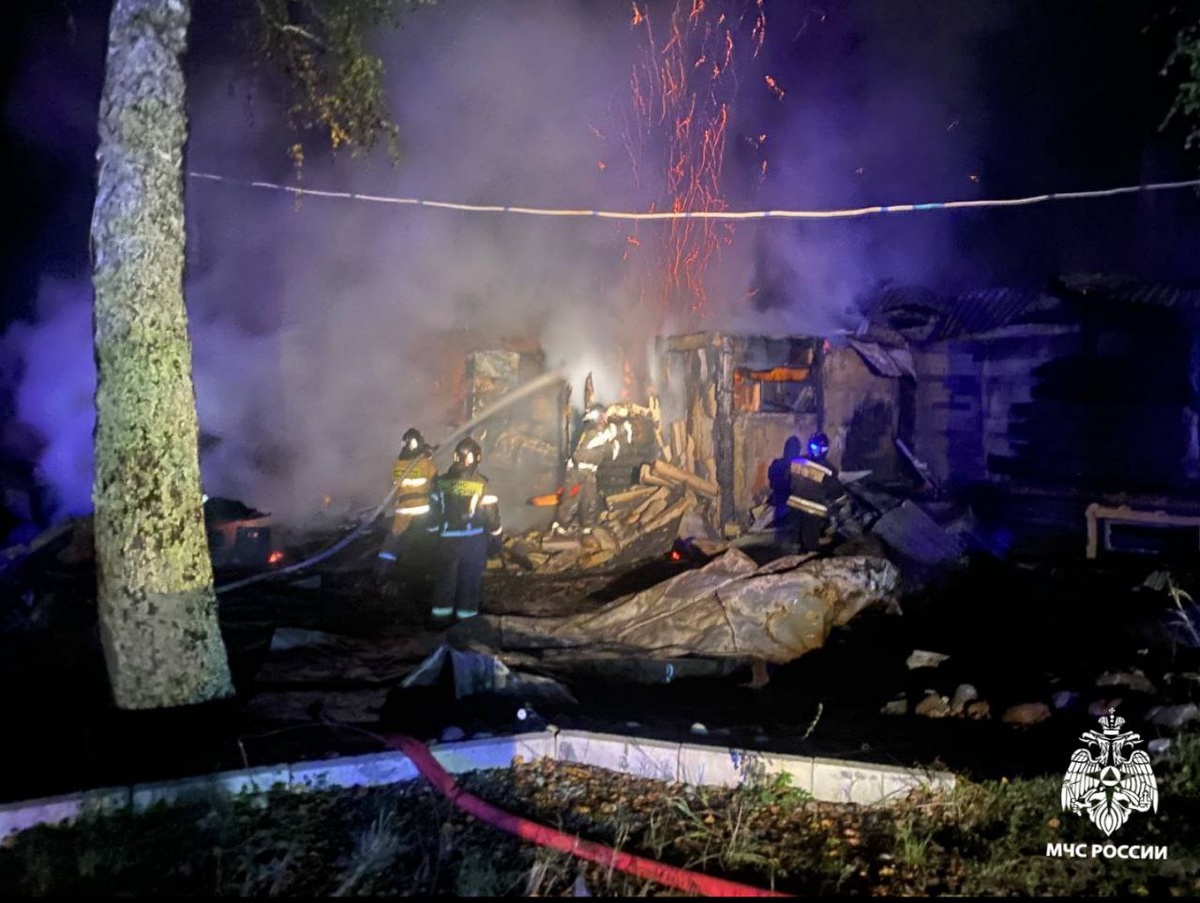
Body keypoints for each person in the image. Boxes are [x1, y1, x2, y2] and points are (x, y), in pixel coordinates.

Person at [427, 436, 502, 623]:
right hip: (472, 542)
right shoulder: (482, 484)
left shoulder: (440, 483)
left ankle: (440, 620)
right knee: (469, 582)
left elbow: (433, 515)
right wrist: (496, 539)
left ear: (455, 457)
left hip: (446, 540)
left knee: (445, 581)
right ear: (477, 458)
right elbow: (492, 518)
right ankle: (466, 624)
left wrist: (432, 537)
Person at [375, 427, 438, 585]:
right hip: (422, 513)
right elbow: (434, 480)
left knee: (393, 542)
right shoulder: (425, 464)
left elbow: (393, 486)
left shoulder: (397, 464)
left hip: (402, 512)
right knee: (424, 544)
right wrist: (428, 456)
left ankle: (381, 576)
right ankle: (422, 578)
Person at [551, 404, 620, 536]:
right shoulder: (590, 431)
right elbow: (595, 442)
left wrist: (614, 446)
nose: (605, 418)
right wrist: (615, 431)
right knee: (571, 498)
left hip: (590, 473)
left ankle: (587, 526)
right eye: (603, 416)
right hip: (576, 472)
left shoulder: (599, 434)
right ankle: (561, 526)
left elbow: (605, 451)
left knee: (589, 500)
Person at [786, 432, 846, 552]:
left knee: (795, 540)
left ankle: (793, 555)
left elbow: (787, 480)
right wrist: (839, 504)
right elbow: (837, 493)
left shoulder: (797, 461)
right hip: (812, 511)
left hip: (794, 507)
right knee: (810, 543)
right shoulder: (828, 469)